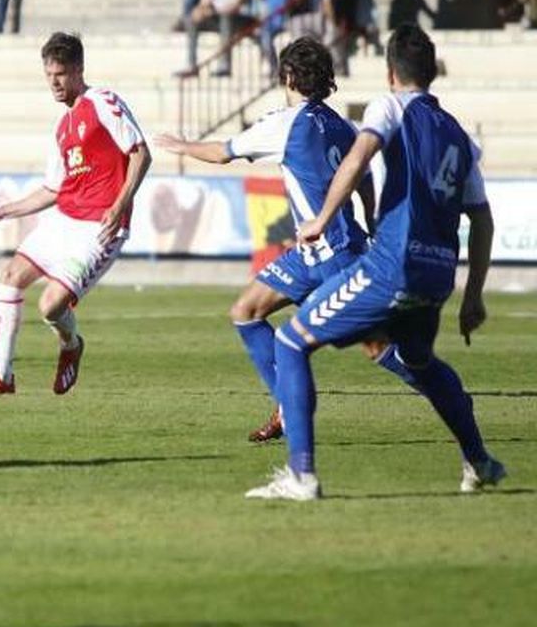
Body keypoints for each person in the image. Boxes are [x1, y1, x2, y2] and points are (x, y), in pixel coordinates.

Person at [249, 25, 504, 501]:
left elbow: (358, 158)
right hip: (436, 275)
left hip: (391, 267)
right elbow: (483, 220)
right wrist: (474, 297)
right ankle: (480, 461)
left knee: (289, 340)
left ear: (390, 73)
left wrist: (321, 218)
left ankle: (301, 476)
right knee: (421, 361)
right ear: (432, 72)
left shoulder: (389, 107)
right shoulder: (460, 137)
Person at [154, 37, 382, 444]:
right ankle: (287, 407)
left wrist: (182, 145)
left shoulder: (286, 122)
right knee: (246, 310)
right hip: (314, 251)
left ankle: (439, 388)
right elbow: (362, 178)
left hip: (334, 256)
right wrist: (371, 220)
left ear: (288, 75)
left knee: (375, 345)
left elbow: (224, 152)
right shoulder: (342, 125)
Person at [0, 32, 152, 396]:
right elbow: (53, 189)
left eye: (61, 74)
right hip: (65, 220)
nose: (54, 82)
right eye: (48, 75)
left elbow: (140, 153)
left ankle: (71, 345)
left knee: (50, 306)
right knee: (11, 275)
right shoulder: (62, 127)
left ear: (79, 70)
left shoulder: (103, 101)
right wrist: (1, 211)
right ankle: (2, 377)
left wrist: (120, 203)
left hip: (100, 227)